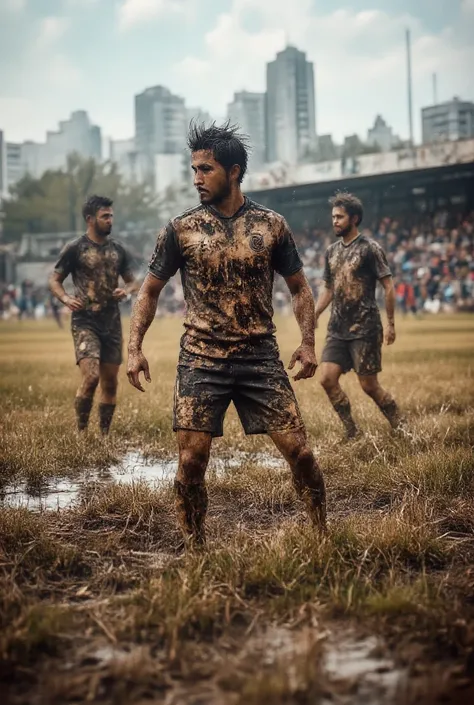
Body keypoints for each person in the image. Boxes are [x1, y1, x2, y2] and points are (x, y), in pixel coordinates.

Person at [127, 122, 326, 547]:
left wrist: (308, 342)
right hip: (202, 360)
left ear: (233, 171)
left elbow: (300, 288)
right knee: (191, 461)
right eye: (193, 169)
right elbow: (148, 292)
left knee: (302, 453)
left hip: (260, 357)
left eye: (206, 169)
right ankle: (195, 548)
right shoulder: (181, 229)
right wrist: (133, 349)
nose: (196, 178)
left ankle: (321, 535)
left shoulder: (271, 225)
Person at [315, 191, 402, 439]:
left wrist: (391, 325)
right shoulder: (331, 252)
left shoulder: (371, 249)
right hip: (337, 329)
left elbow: (388, 287)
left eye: (340, 217)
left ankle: (402, 426)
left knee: (369, 386)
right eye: (333, 217)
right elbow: (329, 289)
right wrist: (316, 313)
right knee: (327, 379)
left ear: (354, 218)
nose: (334, 221)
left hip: (365, 328)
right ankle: (352, 432)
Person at [49, 195, 137, 435]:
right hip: (85, 320)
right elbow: (55, 279)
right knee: (91, 378)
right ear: (90, 219)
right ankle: (81, 433)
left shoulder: (118, 249)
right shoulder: (75, 248)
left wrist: (125, 290)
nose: (110, 220)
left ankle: (104, 436)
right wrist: (66, 298)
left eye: (111, 216)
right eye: (105, 216)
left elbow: (133, 283)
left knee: (110, 383)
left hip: (112, 321)